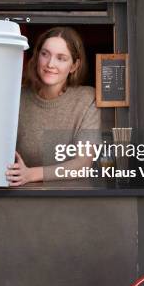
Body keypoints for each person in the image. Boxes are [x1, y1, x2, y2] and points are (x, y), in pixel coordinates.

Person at [6, 26, 102, 187]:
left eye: (61, 58)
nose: (50, 63)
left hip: (71, 197)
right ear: (37, 57)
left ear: (74, 66)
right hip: (19, 194)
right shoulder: (17, 97)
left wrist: (31, 174)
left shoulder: (87, 99)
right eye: (45, 54)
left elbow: (83, 164)